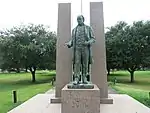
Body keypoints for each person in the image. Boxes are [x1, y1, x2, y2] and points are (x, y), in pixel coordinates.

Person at [66, 15, 95, 85]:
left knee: (85, 64)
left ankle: (84, 78)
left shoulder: (88, 28)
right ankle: (76, 78)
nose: (79, 20)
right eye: (77, 19)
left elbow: (93, 39)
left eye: (80, 19)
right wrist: (69, 43)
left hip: (85, 49)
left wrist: (87, 42)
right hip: (77, 49)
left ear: (83, 19)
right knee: (77, 63)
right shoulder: (74, 30)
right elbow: (72, 41)